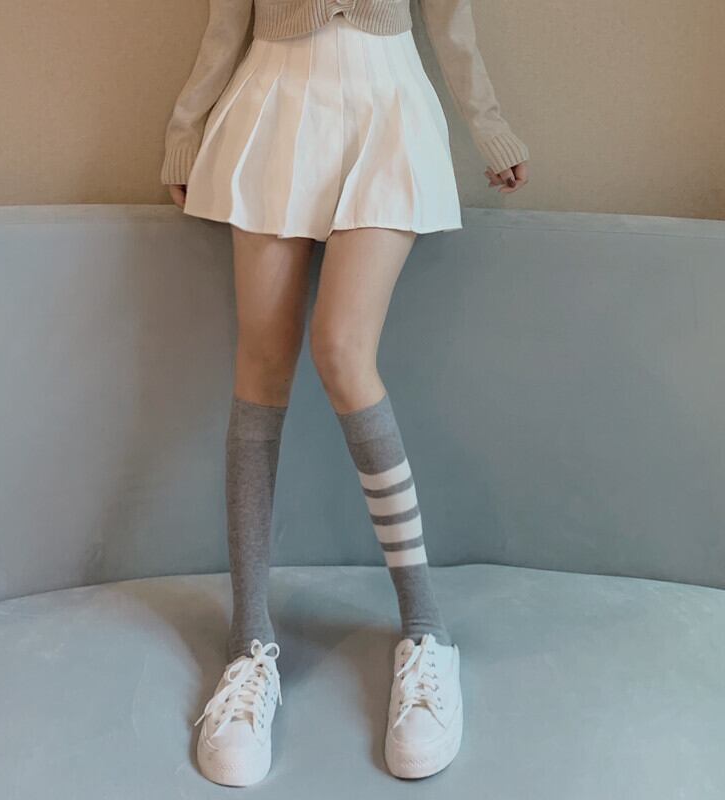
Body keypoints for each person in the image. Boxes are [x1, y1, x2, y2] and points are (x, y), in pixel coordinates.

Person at [160, 0, 529, 786]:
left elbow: (450, 17)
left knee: (341, 350)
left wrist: (488, 125)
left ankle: (426, 631)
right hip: (270, 98)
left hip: (388, 100)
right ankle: (248, 644)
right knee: (261, 365)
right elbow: (227, 17)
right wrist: (186, 126)